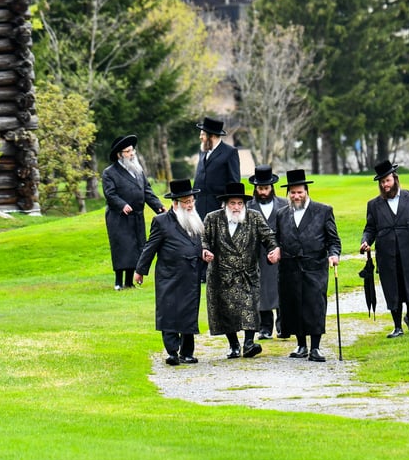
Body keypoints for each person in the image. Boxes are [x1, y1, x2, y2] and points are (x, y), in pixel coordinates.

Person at [134, 179, 211, 366]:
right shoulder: (161, 222)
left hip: (191, 275)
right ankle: (172, 352)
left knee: (188, 313)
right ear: (175, 203)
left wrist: (203, 253)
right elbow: (150, 248)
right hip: (169, 276)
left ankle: (187, 352)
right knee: (168, 312)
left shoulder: (195, 220)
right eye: (186, 202)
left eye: (192, 200)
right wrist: (140, 271)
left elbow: (198, 245)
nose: (190, 205)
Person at [359, 159, 409, 338]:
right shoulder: (374, 204)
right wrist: (366, 241)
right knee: (392, 288)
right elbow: (370, 228)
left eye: (387, 180)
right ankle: (397, 327)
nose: (384, 185)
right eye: (381, 182)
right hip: (387, 252)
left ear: (395, 179)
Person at [202, 182, 280, 359]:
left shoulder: (254, 217)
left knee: (249, 307)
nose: (236, 207)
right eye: (232, 203)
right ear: (225, 204)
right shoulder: (212, 219)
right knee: (226, 311)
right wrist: (205, 251)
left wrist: (273, 249)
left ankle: (249, 343)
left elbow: (268, 236)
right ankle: (233, 345)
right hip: (222, 274)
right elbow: (204, 240)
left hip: (247, 273)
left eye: (239, 203)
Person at [272, 169, 341, 363]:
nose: (296, 196)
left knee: (314, 305)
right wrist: (275, 249)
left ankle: (316, 347)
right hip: (289, 268)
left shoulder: (323, 210)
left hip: (314, 267)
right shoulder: (281, 213)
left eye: (299, 192)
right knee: (293, 305)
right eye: (292, 193)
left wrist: (334, 255)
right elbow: (276, 238)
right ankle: (301, 345)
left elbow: (333, 240)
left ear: (306, 191)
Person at [102, 135, 165, 291]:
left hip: (136, 216)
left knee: (136, 248)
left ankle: (129, 283)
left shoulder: (137, 171)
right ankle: (118, 282)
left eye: (132, 150)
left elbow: (147, 191)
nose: (132, 153)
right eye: (128, 151)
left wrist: (158, 207)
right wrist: (122, 205)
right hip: (118, 217)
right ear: (119, 154)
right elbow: (110, 194)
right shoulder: (109, 173)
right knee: (122, 248)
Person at [246, 164, 288, 340]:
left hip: (279, 253)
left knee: (281, 289)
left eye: (266, 188)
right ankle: (265, 327)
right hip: (257, 255)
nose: (263, 192)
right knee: (261, 291)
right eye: (260, 189)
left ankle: (283, 326)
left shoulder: (284, 204)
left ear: (272, 187)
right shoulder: (248, 206)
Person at [192, 116, 240, 222]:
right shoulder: (203, 150)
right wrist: (193, 198)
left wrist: (228, 202)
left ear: (212, 136)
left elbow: (234, 181)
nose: (200, 137)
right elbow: (199, 176)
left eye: (203, 134)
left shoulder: (230, 152)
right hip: (200, 204)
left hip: (218, 205)